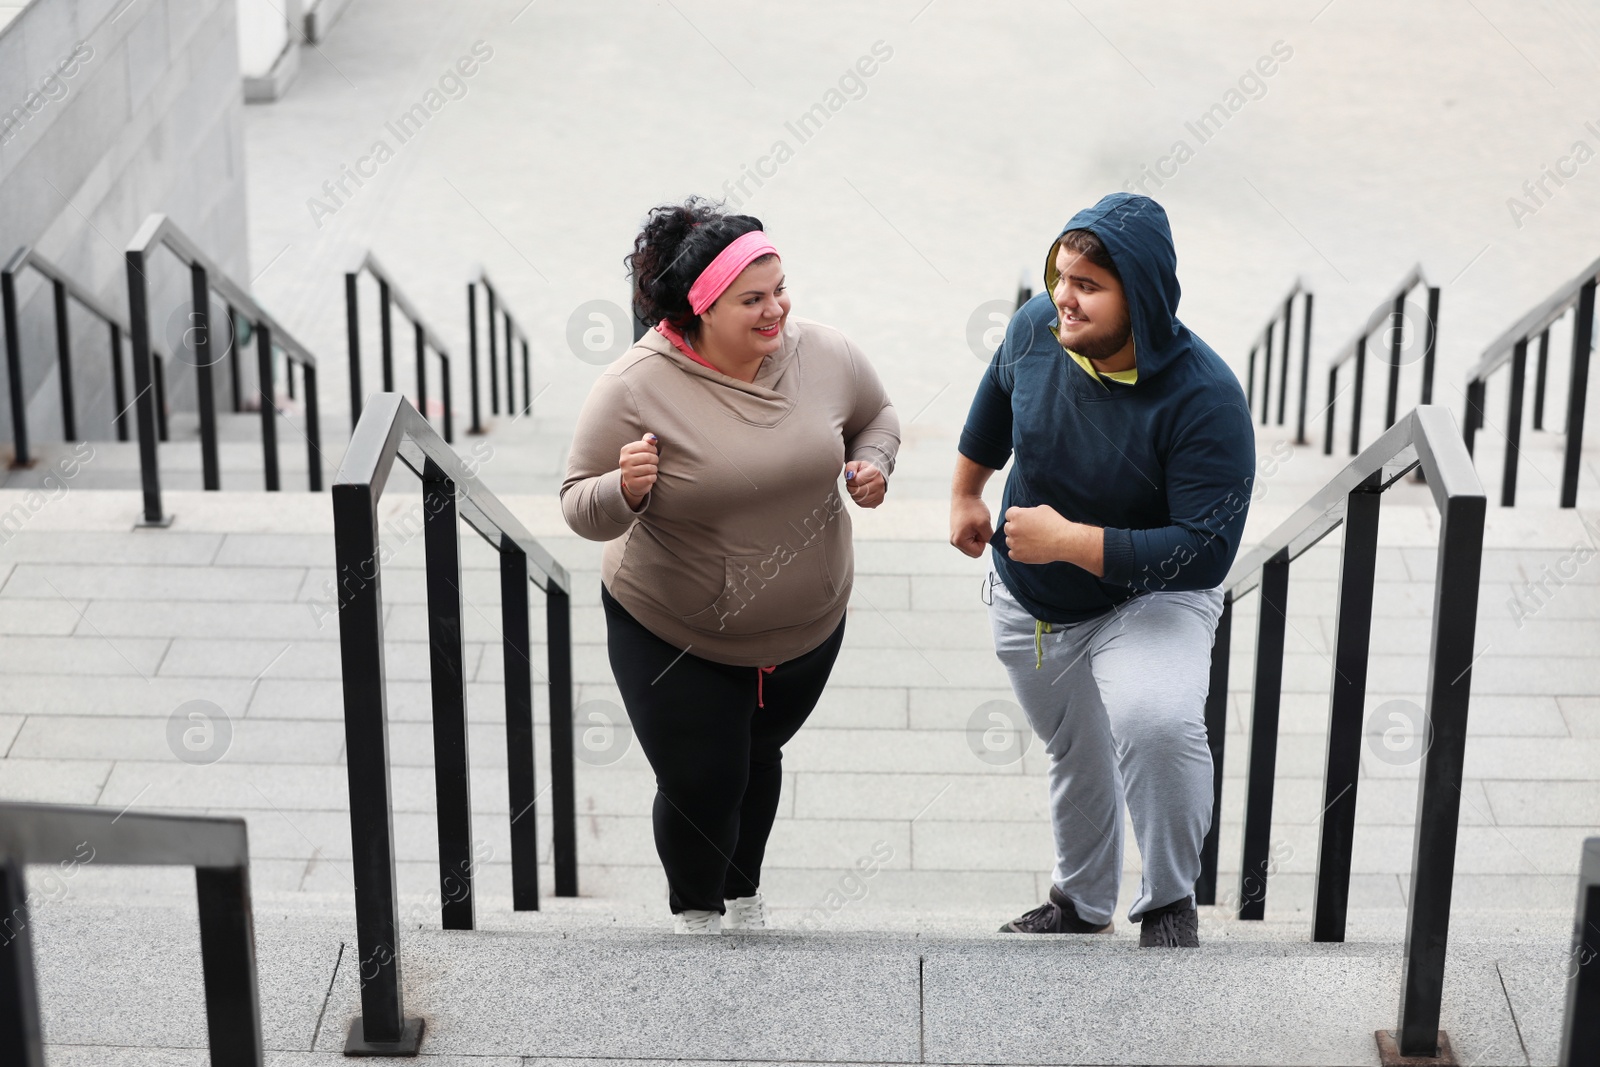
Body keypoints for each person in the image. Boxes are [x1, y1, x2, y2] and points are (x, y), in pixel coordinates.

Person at [561, 197, 900, 934]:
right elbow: (576, 504)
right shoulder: (633, 386)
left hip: (806, 631)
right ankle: (697, 914)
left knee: (755, 755)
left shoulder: (826, 352)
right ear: (700, 309)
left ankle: (744, 898)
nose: (777, 310)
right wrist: (623, 488)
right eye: (753, 299)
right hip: (675, 632)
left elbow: (876, 415)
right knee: (702, 777)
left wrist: (871, 463)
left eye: (780, 289)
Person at [950, 192, 1255, 947]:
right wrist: (964, 491)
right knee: (1075, 745)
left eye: (1088, 284)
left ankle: (1169, 903)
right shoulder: (1035, 329)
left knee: (1154, 721)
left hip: (1151, 596)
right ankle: (1081, 902)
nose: (1064, 295)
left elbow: (1206, 549)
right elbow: (995, 396)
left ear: (1139, 299)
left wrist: (1074, 541)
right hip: (1032, 593)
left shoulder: (1205, 397)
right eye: (1062, 274)